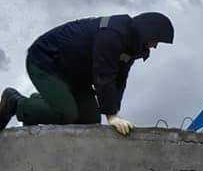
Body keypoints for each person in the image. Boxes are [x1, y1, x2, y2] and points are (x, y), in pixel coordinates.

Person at [0, 12, 174, 134]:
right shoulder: (112, 35)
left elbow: (119, 80)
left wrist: (115, 113)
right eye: (155, 41)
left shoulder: (131, 47)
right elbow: (103, 75)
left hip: (75, 74)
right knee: (67, 113)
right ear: (146, 32)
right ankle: (17, 102)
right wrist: (111, 115)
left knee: (90, 118)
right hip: (47, 61)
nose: (155, 46)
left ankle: (40, 105)